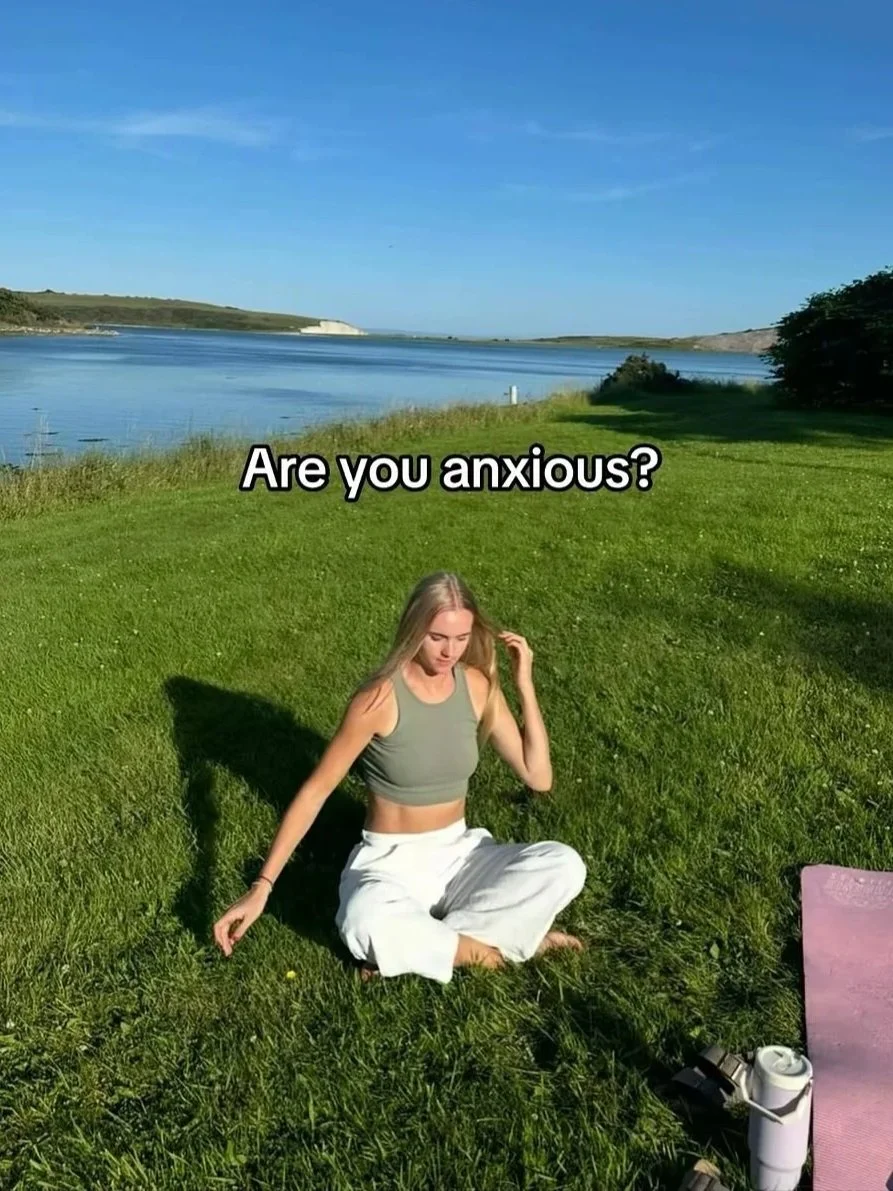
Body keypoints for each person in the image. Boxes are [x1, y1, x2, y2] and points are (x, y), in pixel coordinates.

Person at [212, 571, 587, 983]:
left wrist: (524, 685)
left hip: (461, 854)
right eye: (437, 637)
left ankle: (429, 946)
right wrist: (263, 886)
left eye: (461, 638)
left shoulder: (477, 686)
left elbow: (538, 777)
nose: (449, 651)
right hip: (391, 864)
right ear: (414, 628)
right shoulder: (378, 699)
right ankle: (492, 950)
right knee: (363, 917)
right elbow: (316, 792)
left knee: (564, 865)